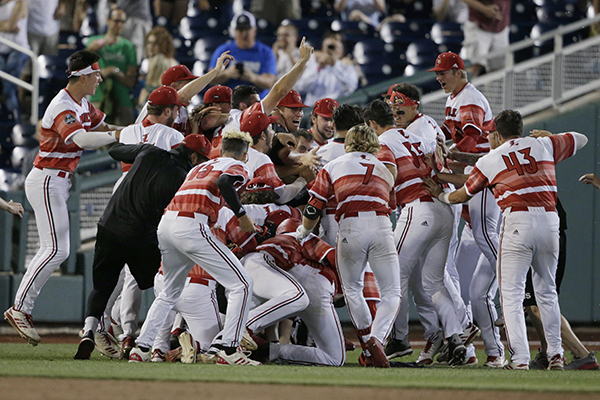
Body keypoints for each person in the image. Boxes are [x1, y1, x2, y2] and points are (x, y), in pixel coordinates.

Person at [423, 110, 588, 370]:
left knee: (510, 295)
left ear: (497, 135)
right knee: (547, 295)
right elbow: (581, 139)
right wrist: (549, 135)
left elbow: (463, 195)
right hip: (549, 222)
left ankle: (520, 359)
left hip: (518, 223)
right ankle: (556, 356)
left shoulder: (492, 158)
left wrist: (441, 194)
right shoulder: (544, 143)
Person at [3, 50, 121, 346]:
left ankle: (22, 308)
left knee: (57, 249)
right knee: (55, 249)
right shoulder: (62, 105)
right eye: (95, 74)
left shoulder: (81, 102)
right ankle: (20, 309)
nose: (99, 79)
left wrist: (134, 130)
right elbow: (81, 139)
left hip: (57, 181)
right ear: (81, 76)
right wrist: (119, 137)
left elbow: (102, 127)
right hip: (46, 179)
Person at [74, 131, 211, 360]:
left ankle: (89, 330)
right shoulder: (183, 177)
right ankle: (165, 338)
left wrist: (139, 147)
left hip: (109, 226)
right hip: (141, 237)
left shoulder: (149, 151)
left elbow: (114, 150)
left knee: (102, 287)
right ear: (195, 158)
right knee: (164, 287)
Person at [128, 130, 261, 366]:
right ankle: (229, 350)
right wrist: (242, 216)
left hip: (167, 223)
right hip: (191, 224)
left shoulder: (199, 167)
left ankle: (142, 347)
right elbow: (224, 182)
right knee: (242, 283)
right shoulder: (237, 165)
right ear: (244, 154)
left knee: (169, 292)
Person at [364, 99, 467, 366]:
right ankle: (456, 339)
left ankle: (396, 339)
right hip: (443, 209)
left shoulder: (383, 142)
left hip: (417, 209)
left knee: (392, 279)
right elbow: (440, 166)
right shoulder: (418, 136)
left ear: (372, 124)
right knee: (434, 283)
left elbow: (389, 173)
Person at [297, 124, 400, 368]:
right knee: (393, 292)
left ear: (348, 142)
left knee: (353, 289)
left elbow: (314, 207)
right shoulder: (385, 170)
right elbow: (391, 206)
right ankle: (378, 339)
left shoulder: (334, 165)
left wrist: (304, 231)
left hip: (350, 226)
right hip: (382, 225)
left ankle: (367, 341)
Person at [429, 51, 504, 366]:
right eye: (437, 73)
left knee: (489, 246)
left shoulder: (469, 98)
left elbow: (472, 140)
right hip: (471, 181)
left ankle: (513, 276)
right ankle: (474, 332)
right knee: (465, 275)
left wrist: (445, 154)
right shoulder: (455, 97)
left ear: (459, 71)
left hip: (481, 182)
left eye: (444, 72)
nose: (439, 78)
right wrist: (437, 140)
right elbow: (451, 132)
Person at [86, 8, 138, 125]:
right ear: (108, 21)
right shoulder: (95, 40)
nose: (119, 24)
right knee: (91, 126)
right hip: (97, 94)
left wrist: (113, 71)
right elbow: (90, 47)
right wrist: (103, 42)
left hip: (121, 96)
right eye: (116, 21)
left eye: (122, 22)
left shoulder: (128, 46)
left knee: (126, 130)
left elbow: (130, 80)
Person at [209, 11, 277, 99]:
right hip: (229, 101)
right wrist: (227, 74)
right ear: (234, 31)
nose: (244, 34)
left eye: (247, 29)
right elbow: (210, 78)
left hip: (257, 102)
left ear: (254, 31)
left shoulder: (266, 52)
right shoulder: (223, 50)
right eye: (240, 30)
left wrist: (253, 77)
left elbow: (270, 82)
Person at [295, 32, 359, 107]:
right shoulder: (314, 66)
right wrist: (318, 68)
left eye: (333, 47)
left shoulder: (347, 67)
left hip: (336, 110)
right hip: (314, 109)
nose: (330, 50)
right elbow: (301, 87)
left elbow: (350, 88)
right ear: (322, 49)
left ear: (341, 52)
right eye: (328, 47)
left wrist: (334, 66)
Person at [460, 0, 511, 77]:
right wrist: (484, 9)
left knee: (498, 72)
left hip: (501, 27)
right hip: (478, 26)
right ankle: (466, 89)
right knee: (473, 67)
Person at [0, 0, 29, 120]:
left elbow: (12, 25)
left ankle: (15, 120)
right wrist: (5, 26)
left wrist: (5, 25)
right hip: (2, 50)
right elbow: (10, 26)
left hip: (18, 50)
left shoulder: (20, 3)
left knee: (7, 89)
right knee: (4, 87)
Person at [137, 26, 178, 107]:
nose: (150, 47)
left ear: (163, 45)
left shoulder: (148, 62)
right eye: (149, 43)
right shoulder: (175, 63)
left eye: (155, 44)